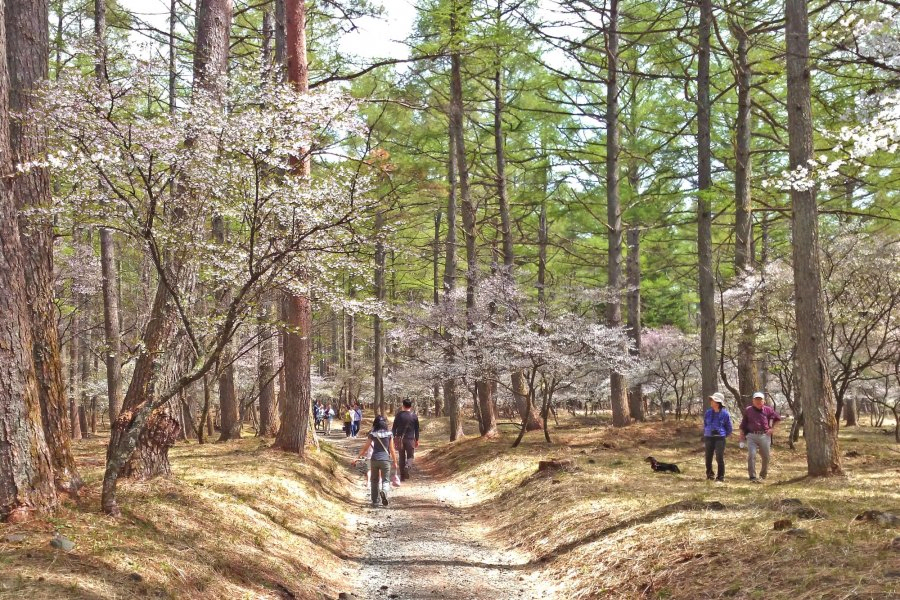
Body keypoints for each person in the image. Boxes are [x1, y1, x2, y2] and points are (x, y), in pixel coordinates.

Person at [351, 416, 398, 507]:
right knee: (385, 480)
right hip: (385, 460)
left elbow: (365, 448)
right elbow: (392, 449)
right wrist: (395, 462)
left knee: (374, 480)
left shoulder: (373, 434)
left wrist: (357, 457)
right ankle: (384, 491)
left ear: (375, 424)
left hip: (374, 459)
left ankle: (375, 501)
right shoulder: (389, 434)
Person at [739, 391, 782, 483]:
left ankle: (763, 475)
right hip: (751, 435)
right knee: (752, 454)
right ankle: (752, 476)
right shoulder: (748, 410)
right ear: (753, 401)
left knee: (766, 456)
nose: (758, 401)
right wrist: (742, 437)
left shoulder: (768, 410)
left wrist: (772, 429)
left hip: (764, 435)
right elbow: (743, 424)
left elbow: (778, 419)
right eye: (756, 399)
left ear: (764, 401)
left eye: (760, 399)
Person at [703, 392, 733, 483]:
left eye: (713, 400)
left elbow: (729, 428)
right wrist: (707, 431)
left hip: (720, 438)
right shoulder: (708, 412)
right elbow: (705, 424)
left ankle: (720, 476)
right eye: (711, 400)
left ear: (718, 402)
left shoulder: (725, 414)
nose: (711, 402)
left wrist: (722, 434)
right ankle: (709, 474)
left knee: (719, 457)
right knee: (708, 457)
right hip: (708, 437)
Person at [391, 399, 420, 481]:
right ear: (410, 406)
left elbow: (394, 428)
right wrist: (417, 439)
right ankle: (408, 466)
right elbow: (417, 429)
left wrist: (393, 438)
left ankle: (402, 476)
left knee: (401, 456)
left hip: (400, 439)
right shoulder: (414, 416)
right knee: (410, 455)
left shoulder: (399, 415)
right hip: (410, 439)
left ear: (403, 405)